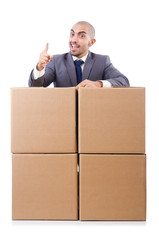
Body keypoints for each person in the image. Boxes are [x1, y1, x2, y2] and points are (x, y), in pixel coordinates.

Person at [28, 21, 129, 88]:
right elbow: (35, 88)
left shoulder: (102, 61)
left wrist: (99, 84)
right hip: (63, 115)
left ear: (91, 42)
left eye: (81, 36)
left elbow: (123, 81)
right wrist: (39, 67)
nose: (74, 40)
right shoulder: (56, 61)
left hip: (92, 115)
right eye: (72, 34)